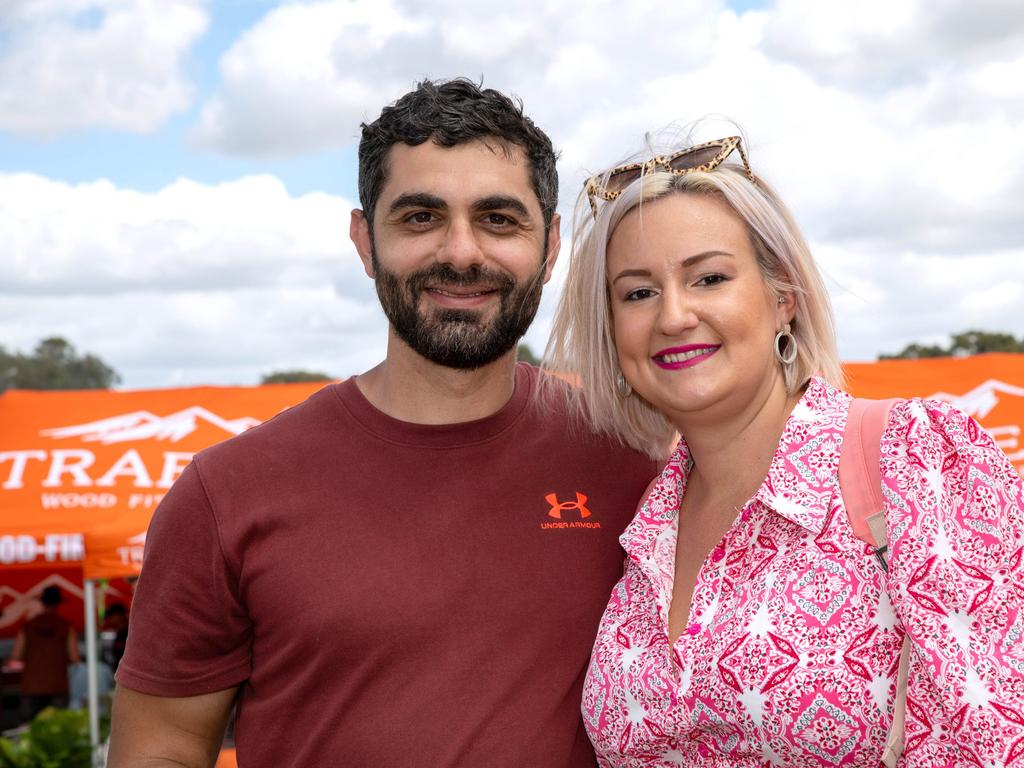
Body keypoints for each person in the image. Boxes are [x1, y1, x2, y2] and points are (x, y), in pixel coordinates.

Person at [107, 78, 656, 768]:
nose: (461, 252)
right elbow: (159, 750)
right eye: (420, 217)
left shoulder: (635, 462)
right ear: (364, 240)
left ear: (549, 249)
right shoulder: (229, 493)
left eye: (498, 219)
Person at [545, 134, 1024, 765]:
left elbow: (994, 741)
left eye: (709, 278)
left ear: (783, 300)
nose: (674, 315)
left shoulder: (915, 457)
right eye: (637, 292)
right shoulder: (641, 523)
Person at [9, 585, 80, 721]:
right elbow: (74, 657)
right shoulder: (66, 626)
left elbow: (16, 656)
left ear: (42, 602)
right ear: (58, 603)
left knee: (29, 730)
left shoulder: (28, 626)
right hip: (57, 685)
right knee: (57, 730)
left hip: (31, 686)